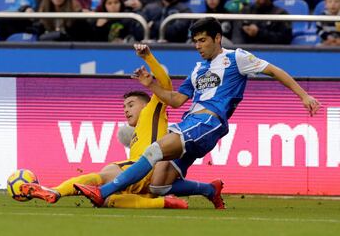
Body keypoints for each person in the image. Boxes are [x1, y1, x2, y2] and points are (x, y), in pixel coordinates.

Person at [74, 17, 320, 208]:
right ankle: (209, 190)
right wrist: (152, 85)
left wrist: (304, 95)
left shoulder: (237, 58)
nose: (198, 46)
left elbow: (275, 71)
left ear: (218, 38)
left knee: (154, 150)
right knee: (160, 186)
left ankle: (102, 192)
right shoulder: (198, 69)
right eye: (195, 41)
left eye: (203, 40)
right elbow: (176, 100)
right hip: (191, 121)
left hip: (209, 121)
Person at [21, 44, 224, 209]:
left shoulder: (153, 108)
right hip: (143, 175)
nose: (126, 110)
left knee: (103, 174)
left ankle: (55, 191)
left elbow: (165, 83)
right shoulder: (139, 128)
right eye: (124, 107)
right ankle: (164, 202)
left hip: (146, 167)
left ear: (146, 103)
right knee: (110, 200)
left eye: (130, 105)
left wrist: (148, 58)